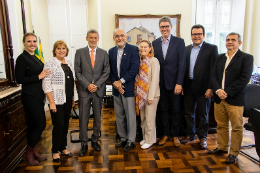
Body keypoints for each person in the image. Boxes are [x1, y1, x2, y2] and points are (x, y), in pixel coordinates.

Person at [209, 32, 253, 164]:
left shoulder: (246, 58)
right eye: (228, 40)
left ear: (239, 43)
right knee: (221, 125)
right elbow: (213, 76)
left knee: (236, 127)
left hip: (235, 99)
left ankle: (233, 153)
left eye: (233, 40)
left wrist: (226, 92)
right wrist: (218, 90)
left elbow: (244, 79)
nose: (229, 42)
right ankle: (222, 147)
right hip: (219, 98)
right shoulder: (219, 57)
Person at [15, 32, 50, 165]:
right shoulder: (22, 58)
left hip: (38, 96)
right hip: (30, 96)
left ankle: (33, 150)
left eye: (34, 41)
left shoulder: (35, 57)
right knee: (41, 124)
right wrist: (38, 77)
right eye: (29, 41)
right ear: (24, 43)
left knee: (33, 125)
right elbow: (19, 79)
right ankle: (28, 152)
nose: (32, 44)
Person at [181, 25, 218, 149]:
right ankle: (190, 135)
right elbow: (182, 69)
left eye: (199, 34)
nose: (196, 36)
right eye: (194, 34)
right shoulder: (186, 49)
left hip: (204, 87)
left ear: (203, 35)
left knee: (203, 114)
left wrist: (211, 88)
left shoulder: (212, 49)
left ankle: (202, 137)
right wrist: (182, 85)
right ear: (191, 35)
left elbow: (214, 70)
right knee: (188, 113)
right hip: (188, 86)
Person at [74, 29, 110, 156]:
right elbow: (77, 71)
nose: (93, 40)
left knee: (97, 117)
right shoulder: (79, 52)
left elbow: (106, 71)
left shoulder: (104, 53)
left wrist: (96, 85)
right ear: (87, 38)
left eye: (95, 37)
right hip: (84, 90)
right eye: (90, 37)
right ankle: (84, 143)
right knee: (83, 117)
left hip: (98, 90)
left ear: (98, 39)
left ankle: (95, 140)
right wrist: (88, 85)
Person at [152, 16, 186, 147]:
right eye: (162, 27)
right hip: (160, 84)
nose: (164, 28)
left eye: (167, 26)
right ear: (159, 29)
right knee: (163, 110)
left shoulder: (179, 42)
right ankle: (166, 134)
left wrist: (179, 83)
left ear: (171, 27)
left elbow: (182, 64)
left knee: (176, 110)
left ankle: (175, 135)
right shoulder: (154, 43)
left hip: (175, 84)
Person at [42, 40, 78, 162]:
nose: (61, 50)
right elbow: (46, 84)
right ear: (54, 50)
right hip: (56, 100)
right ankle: (55, 151)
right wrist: (51, 101)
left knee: (66, 124)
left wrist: (73, 98)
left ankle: (63, 147)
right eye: (58, 48)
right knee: (59, 125)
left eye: (63, 48)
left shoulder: (68, 62)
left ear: (66, 50)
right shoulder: (50, 64)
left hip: (68, 99)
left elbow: (71, 82)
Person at [109, 28, 140, 152]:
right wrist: (115, 83)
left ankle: (131, 140)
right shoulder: (111, 51)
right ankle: (122, 137)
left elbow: (134, 68)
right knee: (119, 114)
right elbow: (109, 70)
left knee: (130, 115)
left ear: (126, 36)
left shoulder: (133, 49)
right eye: (117, 36)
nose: (119, 38)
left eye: (122, 35)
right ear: (114, 38)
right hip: (116, 89)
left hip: (127, 87)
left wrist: (120, 81)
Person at [135, 40, 160, 149]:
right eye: (141, 47)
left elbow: (155, 79)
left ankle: (150, 140)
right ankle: (145, 137)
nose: (143, 49)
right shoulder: (139, 60)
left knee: (150, 119)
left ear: (150, 49)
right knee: (143, 119)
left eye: (146, 47)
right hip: (141, 94)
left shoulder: (153, 61)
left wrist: (150, 97)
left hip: (151, 95)